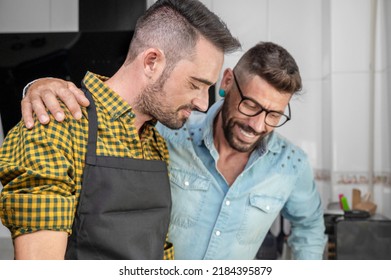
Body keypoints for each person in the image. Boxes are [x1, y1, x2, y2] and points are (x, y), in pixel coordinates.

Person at [18, 42, 327, 260]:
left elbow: (310, 227)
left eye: (274, 115)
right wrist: (39, 85)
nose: (258, 125)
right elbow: (118, 107)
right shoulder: (167, 133)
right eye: (251, 106)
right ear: (228, 81)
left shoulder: (291, 165)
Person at [0, 0, 240, 260]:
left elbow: (160, 249)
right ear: (151, 62)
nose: (204, 103)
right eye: (196, 84)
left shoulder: (155, 144)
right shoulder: (56, 129)